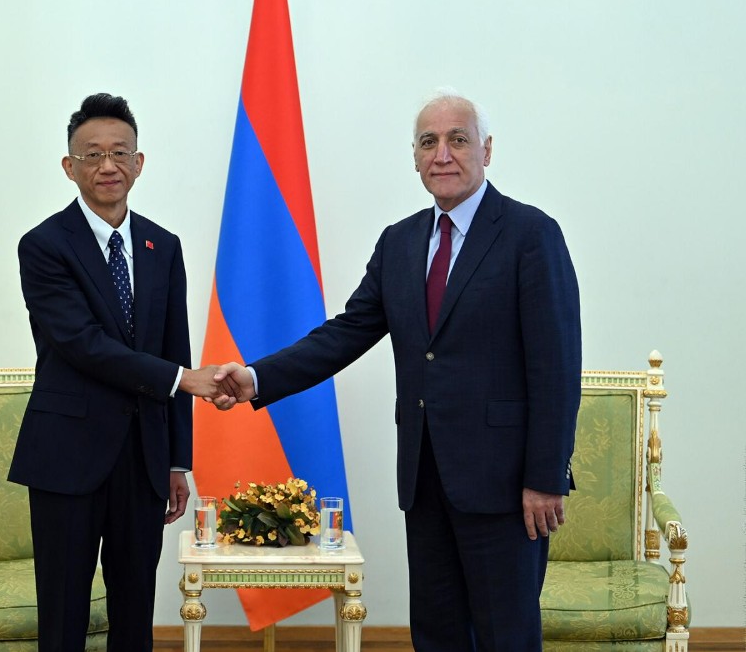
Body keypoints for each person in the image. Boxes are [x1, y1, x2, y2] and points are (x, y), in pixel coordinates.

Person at [211, 89, 582, 651]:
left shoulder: (531, 234)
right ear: (414, 157)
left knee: (505, 636)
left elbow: (557, 368)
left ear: (486, 150)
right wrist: (256, 378)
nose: (442, 154)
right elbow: (344, 334)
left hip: (506, 487)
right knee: (435, 634)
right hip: (425, 479)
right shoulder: (400, 242)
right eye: (428, 142)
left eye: (458, 139)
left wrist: (545, 477)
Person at [8, 93, 224, 652]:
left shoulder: (162, 246)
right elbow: (84, 345)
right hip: (66, 456)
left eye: (120, 152)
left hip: (143, 459)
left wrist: (176, 460)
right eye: (93, 154)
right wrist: (182, 378)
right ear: (69, 166)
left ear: (138, 162)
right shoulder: (44, 246)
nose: (108, 165)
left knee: (134, 613)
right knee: (64, 614)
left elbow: (175, 344)